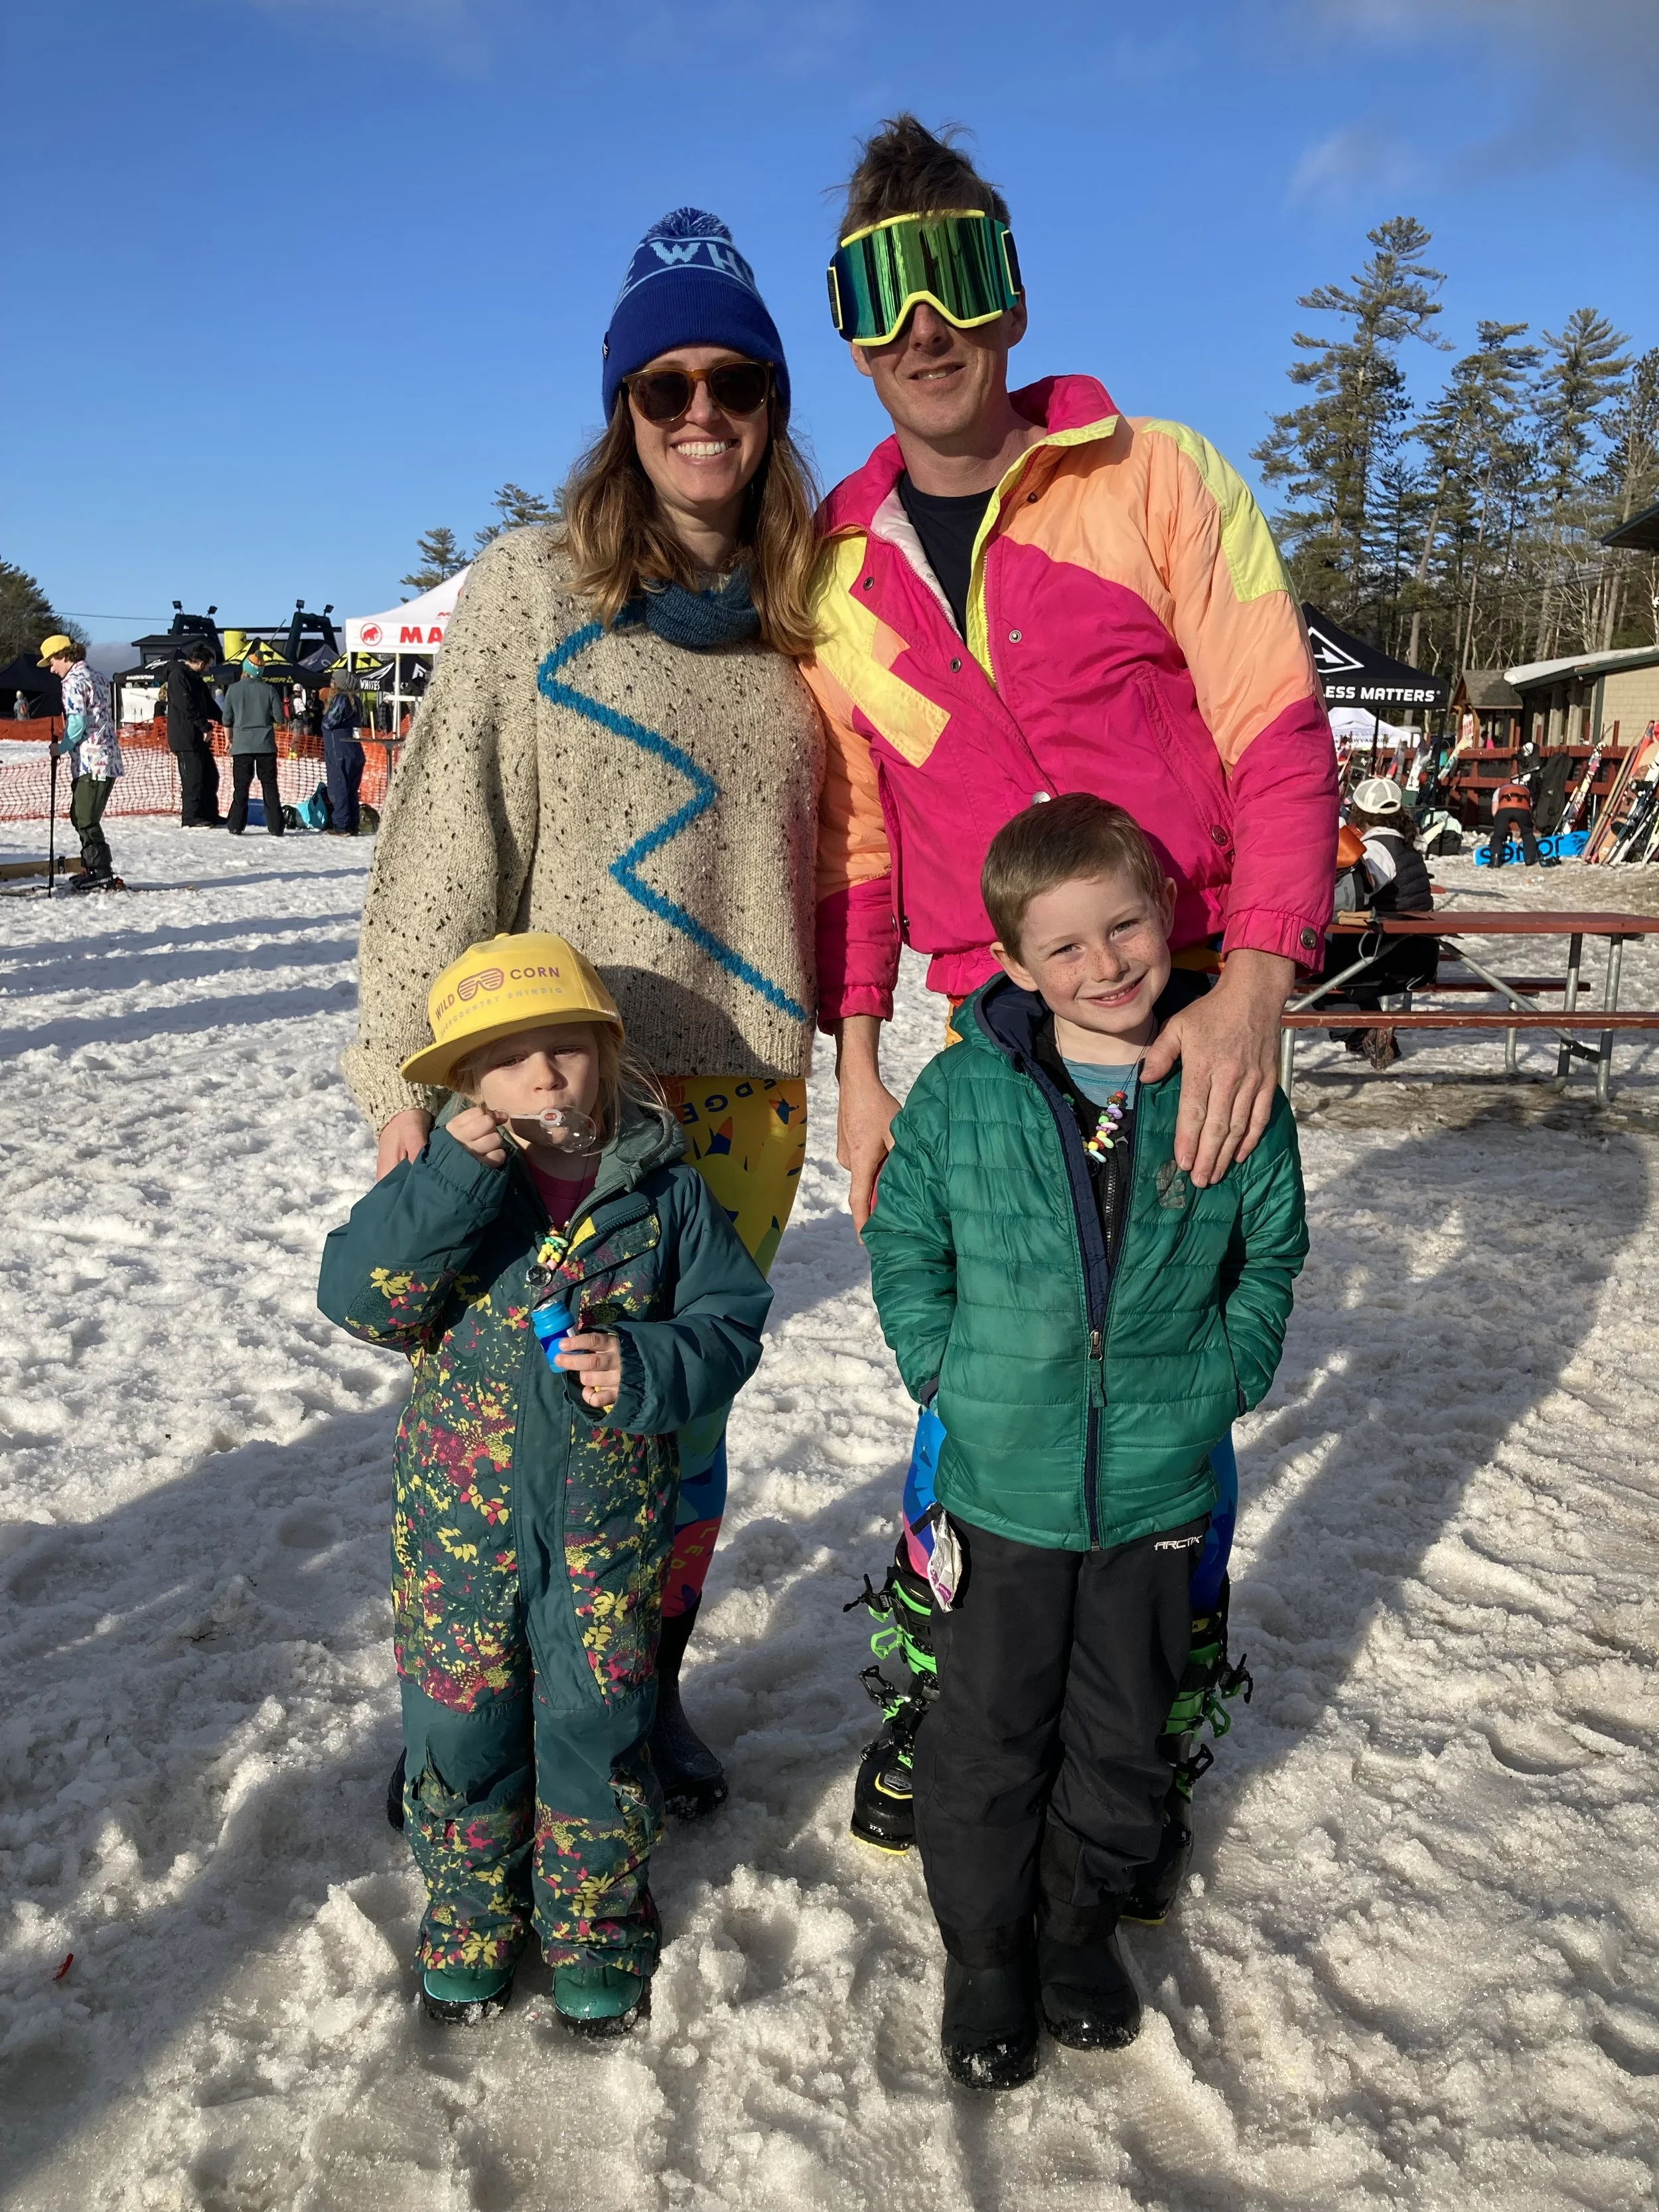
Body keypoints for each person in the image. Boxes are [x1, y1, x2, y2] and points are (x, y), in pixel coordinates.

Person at [344, 208, 824, 1818]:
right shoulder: (533, 592)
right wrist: (405, 1066)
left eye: (734, 385)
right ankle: (472, 1721)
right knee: (505, 1407)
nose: (703, 415)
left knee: (674, 1411)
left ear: (770, 405)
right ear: (621, 409)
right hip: (559, 1083)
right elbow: (447, 830)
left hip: (747, 1087)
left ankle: (644, 1689)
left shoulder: (815, 605)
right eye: (666, 386)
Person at [803, 117, 1336, 1229]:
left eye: (957, 279)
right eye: (882, 296)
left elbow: (1277, 740)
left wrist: (1252, 991)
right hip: (992, 1025)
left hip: (1187, 988)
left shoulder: (1157, 477)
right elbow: (854, 843)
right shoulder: (833, 572)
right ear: (852, 339)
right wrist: (857, 1073)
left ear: (1015, 300)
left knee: (1169, 1344)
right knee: (995, 1352)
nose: (925, 328)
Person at [861, 796, 1306, 2089]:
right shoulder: (963, 1091)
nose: (1103, 964)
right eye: (1064, 946)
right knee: (985, 1734)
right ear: (1009, 965)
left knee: (1121, 1737)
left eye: (1124, 926)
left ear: (1166, 920)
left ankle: (1074, 1928)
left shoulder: (1225, 1077)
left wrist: (1229, 1369)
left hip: (1156, 1484)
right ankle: (986, 1949)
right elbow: (903, 1236)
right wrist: (941, 1367)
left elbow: (1268, 1249)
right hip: (1003, 1485)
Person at [319, 932, 770, 2033]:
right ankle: (470, 1931)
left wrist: (649, 1365)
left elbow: (730, 1322)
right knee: (461, 1733)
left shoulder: (664, 1193)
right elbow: (361, 1295)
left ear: (607, 1057)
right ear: (464, 1083)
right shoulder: (452, 1189)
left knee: (594, 1728)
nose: (544, 1077)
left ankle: (597, 1937)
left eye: (565, 1048)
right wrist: (452, 1179)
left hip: (607, 1532)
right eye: (508, 1059)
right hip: (459, 1539)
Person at [1323, 776, 1439, 1070]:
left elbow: (1358, 887)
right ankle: (1368, 1029)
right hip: (1416, 951)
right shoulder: (1403, 844)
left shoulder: (1377, 848)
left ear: (1358, 814)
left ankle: (1362, 1032)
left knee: (1311, 960)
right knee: (1331, 961)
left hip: (1391, 957)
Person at [38, 634, 123, 889]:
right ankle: (93, 867)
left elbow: (76, 723)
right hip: (103, 758)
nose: (51, 668)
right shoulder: (97, 676)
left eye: (52, 661)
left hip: (93, 761)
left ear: (65, 655)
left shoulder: (73, 681)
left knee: (85, 817)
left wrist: (60, 747)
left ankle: (101, 871)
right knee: (80, 815)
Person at [220, 658, 285, 836]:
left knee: (241, 787)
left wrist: (229, 741)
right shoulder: (269, 690)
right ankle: (276, 827)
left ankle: (236, 825)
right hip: (265, 745)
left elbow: (227, 720)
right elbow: (280, 719)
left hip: (241, 746)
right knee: (270, 786)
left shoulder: (233, 690)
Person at [161, 640, 224, 827]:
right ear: (201, 663)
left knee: (210, 776)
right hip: (185, 738)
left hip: (198, 739)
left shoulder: (197, 680)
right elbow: (186, 706)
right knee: (193, 779)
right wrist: (204, 726)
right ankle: (191, 816)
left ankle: (210, 813)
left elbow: (209, 705)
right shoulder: (178, 676)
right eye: (209, 666)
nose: (209, 670)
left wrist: (227, 721)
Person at [321, 674, 366, 834]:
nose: (331, 684)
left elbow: (328, 723)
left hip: (339, 751)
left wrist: (326, 711)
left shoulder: (341, 699)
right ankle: (353, 824)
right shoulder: (357, 701)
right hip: (354, 750)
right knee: (351, 790)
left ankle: (341, 826)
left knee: (338, 788)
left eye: (334, 681)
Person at [1486, 770, 1540, 867]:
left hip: (1503, 810)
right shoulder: (1526, 790)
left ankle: (1495, 860)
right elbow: (1529, 809)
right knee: (1527, 833)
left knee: (1498, 836)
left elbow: (1495, 812)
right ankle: (1530, 859)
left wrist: (1502, 826)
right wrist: (1525, 830)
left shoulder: (1500, 789)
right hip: (1523, 810)